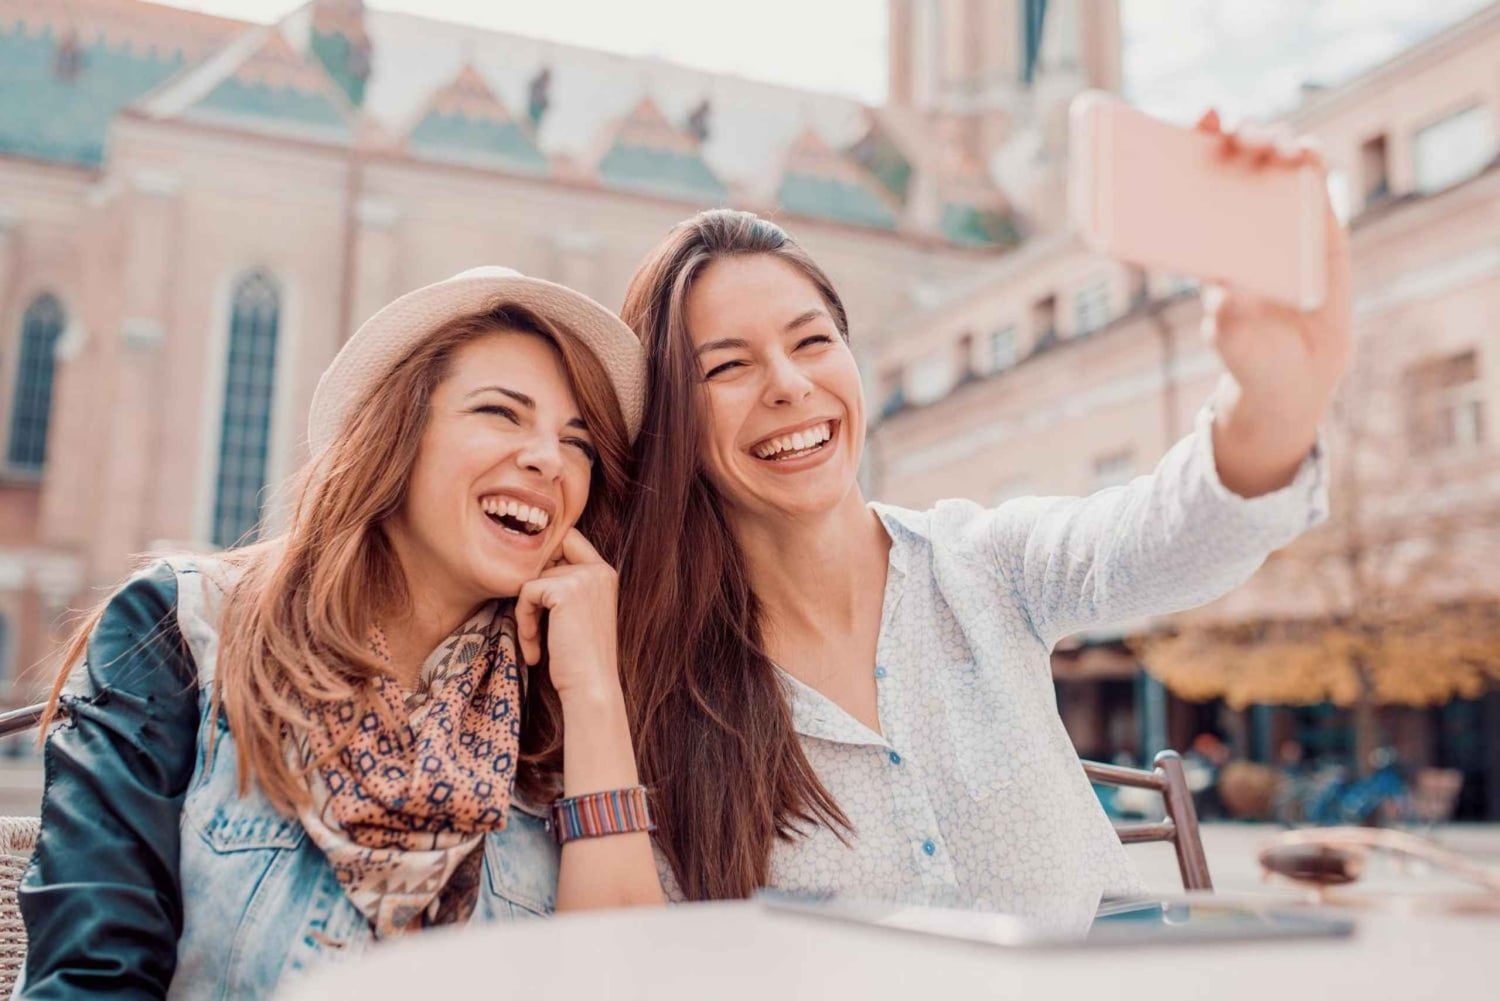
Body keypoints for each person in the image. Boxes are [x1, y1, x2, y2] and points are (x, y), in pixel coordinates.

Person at [615, 117, 1349, 930]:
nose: (788, 384)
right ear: (670, 418)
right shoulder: (651, 678)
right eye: (727, 365)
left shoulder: (983, 563)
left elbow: (1169, 537)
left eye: (812, 340)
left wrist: (1276, 395)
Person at [18, 267, 663, 998]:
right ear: (396, 435)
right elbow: (89, 980)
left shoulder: (557, 716)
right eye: (501, 413)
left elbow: (621, 980)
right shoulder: (184, 633)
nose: (549, 458)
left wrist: (595, 693)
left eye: (576, 443)